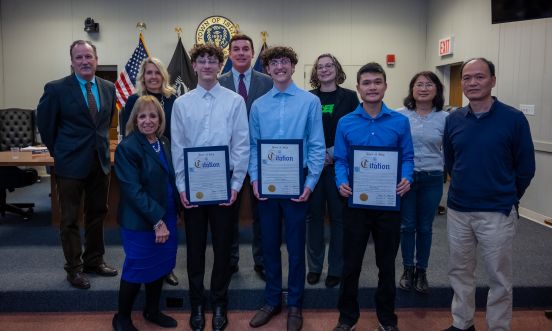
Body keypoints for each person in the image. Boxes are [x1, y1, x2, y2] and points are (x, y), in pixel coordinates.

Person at [442, 58, 535, 331]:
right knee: (459, 273)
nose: (472, 83)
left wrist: (508, 197)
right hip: (459, 210)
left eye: (479, 77)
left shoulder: (513, 119)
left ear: (492, 80)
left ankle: (498, 327)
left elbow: (525, 167)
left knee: (499, 278)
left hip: (497, 211)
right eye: (467, 78)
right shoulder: (454, 119)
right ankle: (462, 323)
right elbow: (451, 161)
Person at [171, 43, 249, 331]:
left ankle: (219, 303)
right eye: (201, 61)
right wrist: (181, 186)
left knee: (222, 248)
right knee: (194, 249)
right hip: (192, 187)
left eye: (212, 61)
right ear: (194, 66)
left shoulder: (234, 101)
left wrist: (235, 185)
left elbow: (242, 145)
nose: (206, 65)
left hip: (224, 188)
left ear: (220, 65)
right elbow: (178, 148)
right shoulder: (182, 104)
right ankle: (197, 304)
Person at [248, 46, 325, 331]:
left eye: (285, 62)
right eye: (274, 63)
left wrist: (310, 183)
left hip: (297, 186)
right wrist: (255, 179)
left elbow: (316, 145)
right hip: (267, 186)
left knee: (295, 248)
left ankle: (294, 303)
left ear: (293, 67)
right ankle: (271, 300)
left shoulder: (309, 102)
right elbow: (254, 147)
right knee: (268, 246)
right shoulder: (258, 105)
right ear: (267, 70)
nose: (279, 67)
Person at [332, 62, 414, 331]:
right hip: (355, 203)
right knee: (351, 264)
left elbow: (408, 157)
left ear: (385, 86)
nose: (372, 87)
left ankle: (387, 318)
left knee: (386, 266)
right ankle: (347, 317)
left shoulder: (400, 121)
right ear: (358, 88)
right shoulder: (346, 122)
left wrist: (407, 177)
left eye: (377, 82)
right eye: (366, 83)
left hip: (389, 204)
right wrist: (341, 181)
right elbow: (341, 160)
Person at [37, 40, 118, 289]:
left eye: (89, 56)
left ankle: (94, 260)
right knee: (70, 219)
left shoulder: (108, 87)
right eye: (79, 57)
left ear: (96, 59)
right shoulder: (56, 89)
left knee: (97, 213)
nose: (85, 61)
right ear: (71, 62)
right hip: (70, 164)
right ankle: (74, 268)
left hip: (100, 163)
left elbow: (104, 125)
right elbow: (46, 126)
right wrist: (59, 152)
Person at [113, 96, 179, 331]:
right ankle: (122, 317)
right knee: (137, 266)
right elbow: (133, 191)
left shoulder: (164, 142)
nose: (148, 120)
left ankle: (152, 310)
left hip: (168, 214)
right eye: (142, 116)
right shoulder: (127, 148)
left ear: (160, 119)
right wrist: (157, 221)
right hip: (143, 221)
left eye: (153, 115)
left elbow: (171, 179)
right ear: (135, 120)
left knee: (160, 265)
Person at [119, 57, 179, 286]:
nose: (153, 77)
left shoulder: (173, 99)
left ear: (164, 75)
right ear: (142, 77)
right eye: (148, 73)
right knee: (148, 225)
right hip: (145, 162)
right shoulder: (134, 100)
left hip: (167, 157)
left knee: (169, 228)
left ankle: (166, 269)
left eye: (157, 72)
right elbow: (129, 134)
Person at [219, 34, 273, 280]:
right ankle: (230, 261)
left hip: (263, 160)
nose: (241, 53)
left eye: (246, 49)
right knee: (229, 213)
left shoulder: (269, 82)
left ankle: (261, 261)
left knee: (262, 214)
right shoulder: (218, 83)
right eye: (236, 49)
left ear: (253, 54)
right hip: (230, 159)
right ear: (230, 54)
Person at [306, 53, 358, 289]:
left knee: (339, 220)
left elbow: (355, 129)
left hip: (339, 167)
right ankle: (315, 267)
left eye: (329, 66)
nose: (325, 70)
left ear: (337, 69)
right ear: (315, 73)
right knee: (313, 218)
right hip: (314, 168)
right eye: (320, 67)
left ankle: (335, 268)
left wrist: (334, 152)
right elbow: (303, 131)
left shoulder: (349, 97)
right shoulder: (308, 98)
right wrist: (319, 155)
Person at [396, 71, 448, 294]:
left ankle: (422, 271)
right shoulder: (400, 116)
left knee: (425, 227)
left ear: (437, 89)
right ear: (412, 89)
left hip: (432, 178)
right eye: (419, 84)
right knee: (407, 226)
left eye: (429, 84)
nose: (424, 88)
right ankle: (407, 269)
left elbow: (450, 149)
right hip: (406, 179)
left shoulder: (446, 118)